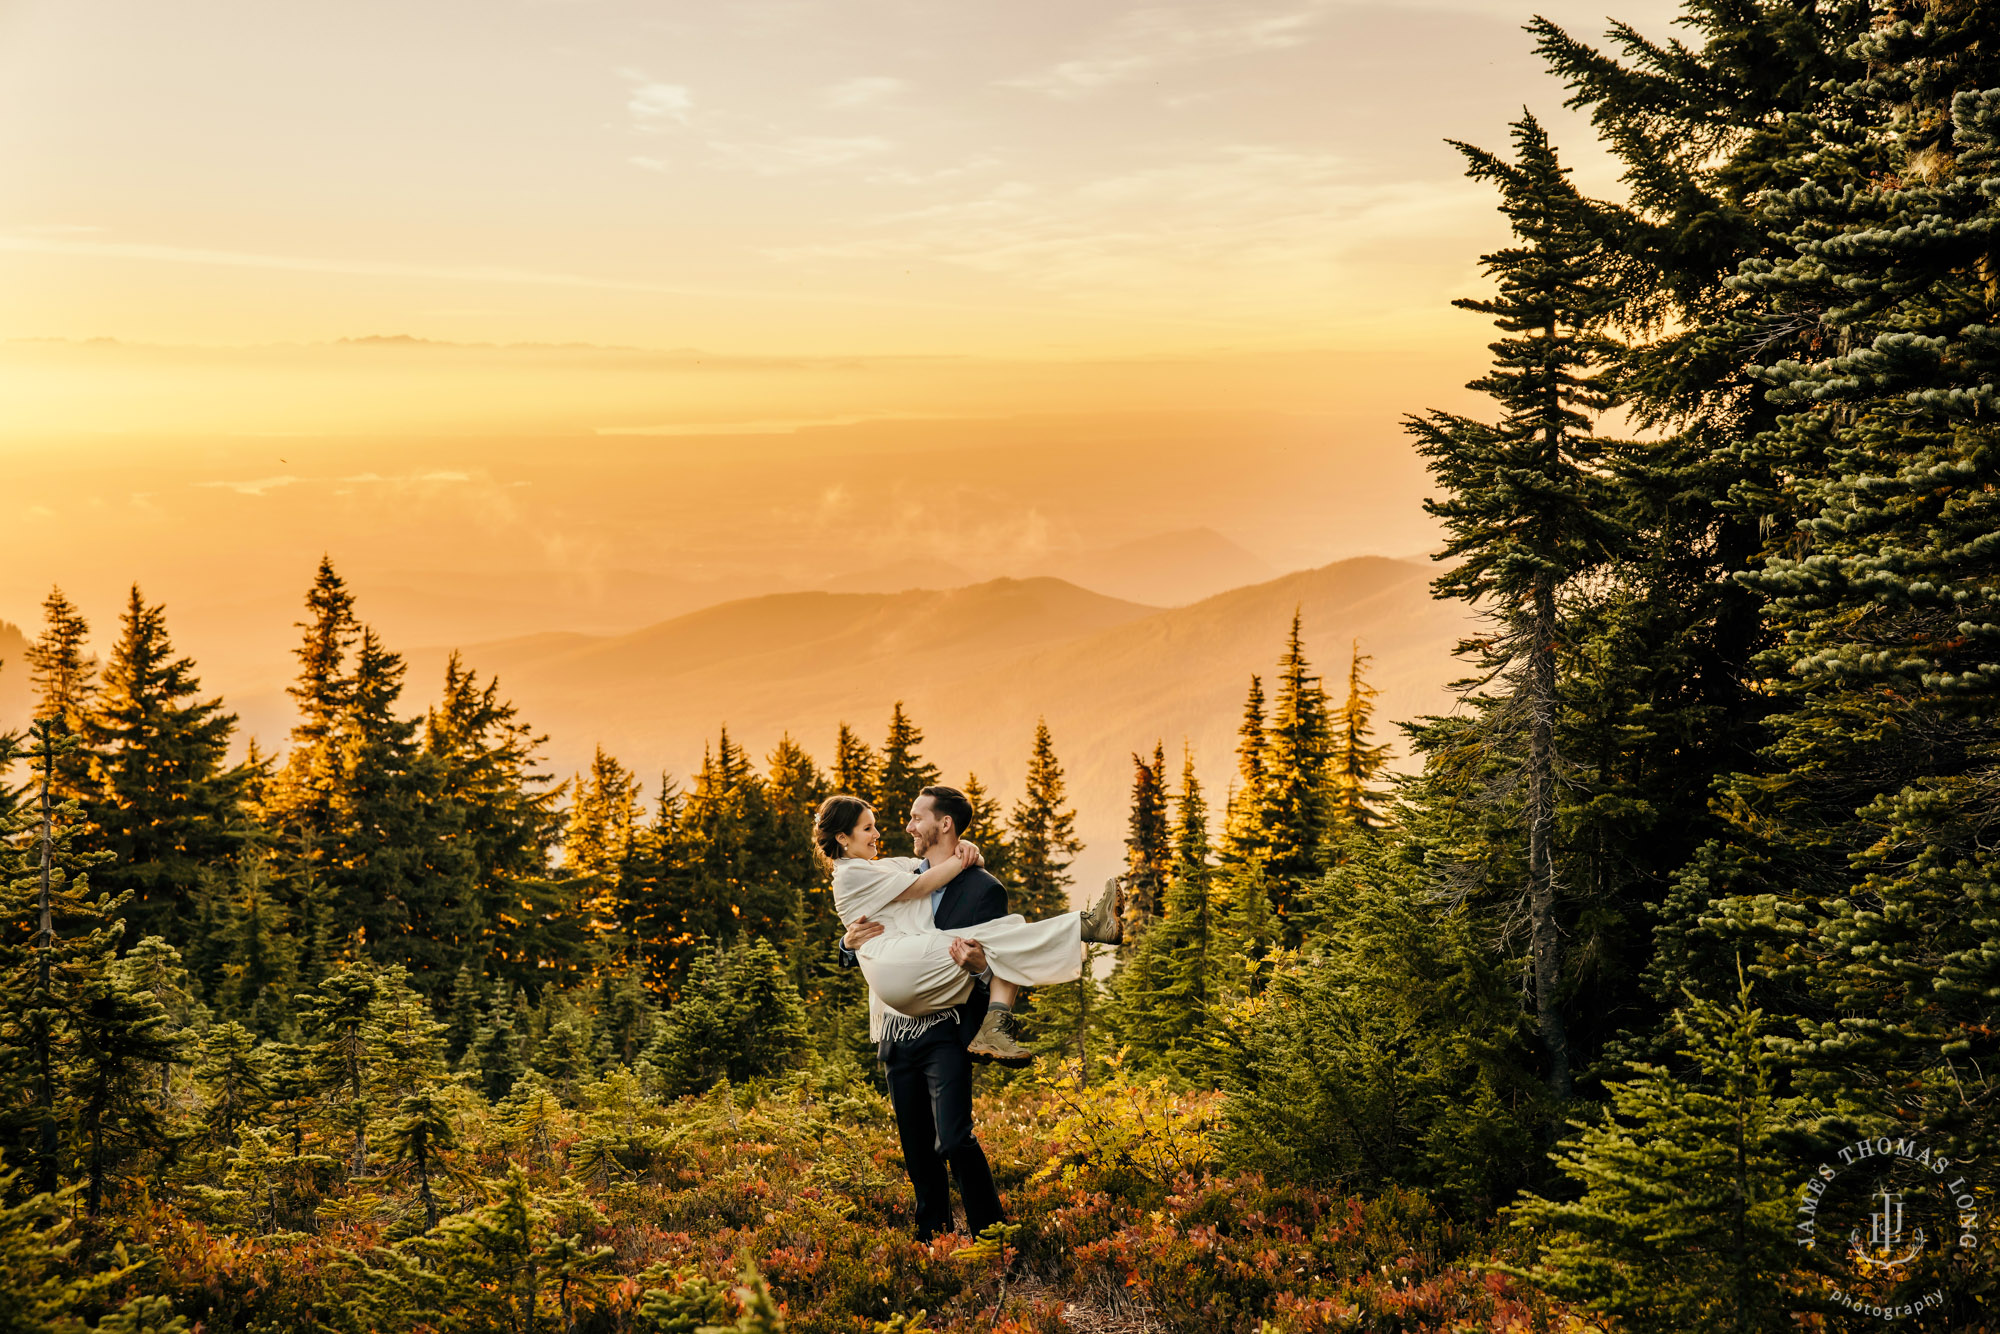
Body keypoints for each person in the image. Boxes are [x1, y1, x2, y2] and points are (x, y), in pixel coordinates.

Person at [815, 790, 1122, 1063]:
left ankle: (997, 1020)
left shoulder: (876, 867)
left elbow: (919, 864)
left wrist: (966, 846)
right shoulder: (850, 875)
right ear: (843, 837)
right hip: (893, 966)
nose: (878, 834)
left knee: (997, 936)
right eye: (868, 828)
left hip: (905, 974)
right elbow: (921, 884)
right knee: (999, 936)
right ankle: (1088, 926)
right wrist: (963, 858)